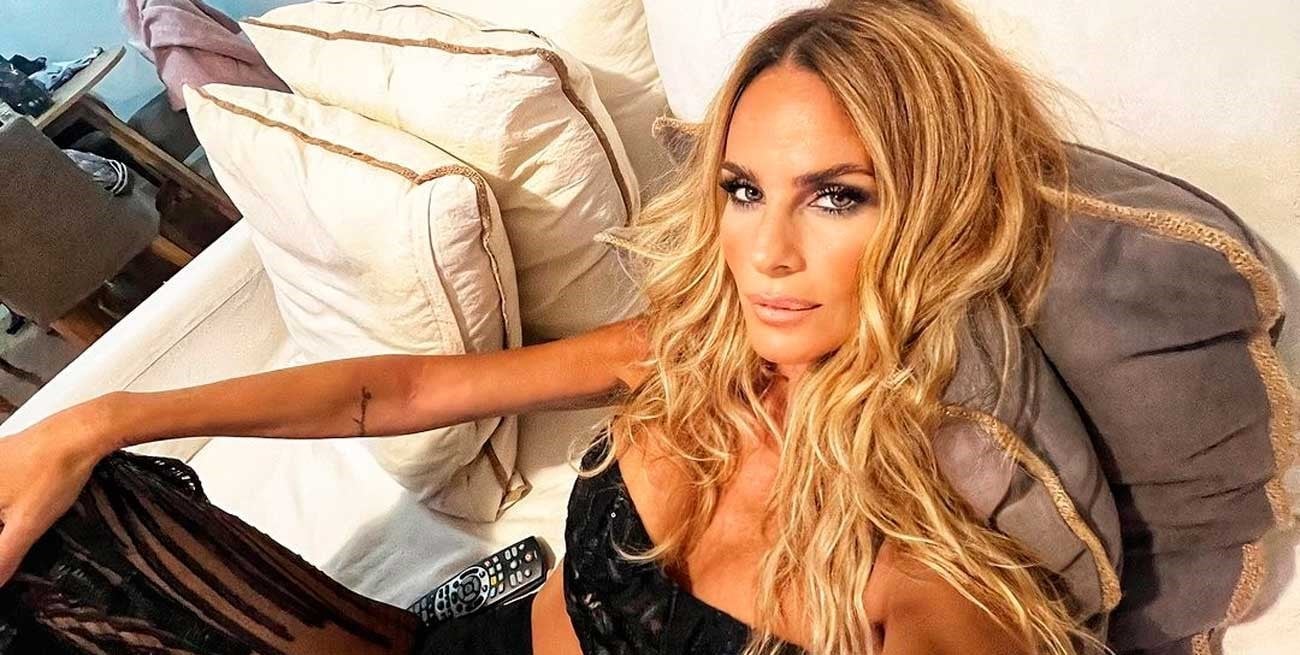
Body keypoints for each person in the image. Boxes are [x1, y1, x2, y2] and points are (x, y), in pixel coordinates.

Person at [0, 1, 1098, 653]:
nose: (765, 252)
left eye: (837, 196)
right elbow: (404, 390)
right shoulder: (699, 348)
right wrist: (100, 417)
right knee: (60, 509)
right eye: (742, 189)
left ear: (936, 211)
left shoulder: (919, 585)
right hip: (453, 641)